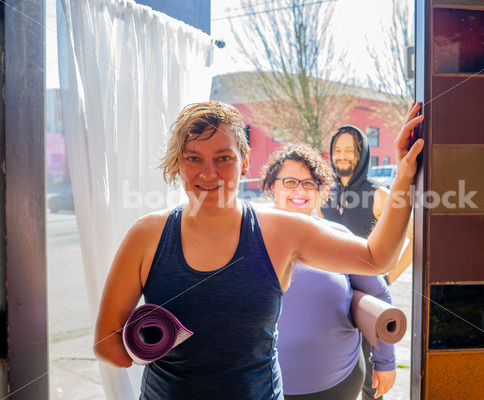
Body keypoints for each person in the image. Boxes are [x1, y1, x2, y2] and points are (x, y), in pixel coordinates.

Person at [93, 101, 423, 399]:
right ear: (178, 163)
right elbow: (107, 344)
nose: (208, 173)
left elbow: (378, 257)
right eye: (193, 158)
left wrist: (404, 174)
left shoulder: (280, 231)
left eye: (223, 158)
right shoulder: (147, 235)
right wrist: (148, 348)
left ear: (245, 163)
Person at [260, 143, 395, 399]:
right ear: (272, 185)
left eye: (309, 183)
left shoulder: (338, 236)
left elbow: (381, 296)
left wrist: (385, 362)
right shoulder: (250, 238)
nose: (299, 190)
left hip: (340, 383)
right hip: (267, 385)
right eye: (289, 181)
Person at [320, 122, 414, 400]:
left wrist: (388, 276)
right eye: (338, 149)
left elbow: (416, 239)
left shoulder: (379, 194)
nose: (343, 155)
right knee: (334, 373)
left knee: (370, 380)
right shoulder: (324, 194)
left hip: (367, 298)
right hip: (332, 297)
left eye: (350, 150)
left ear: (362, 155)